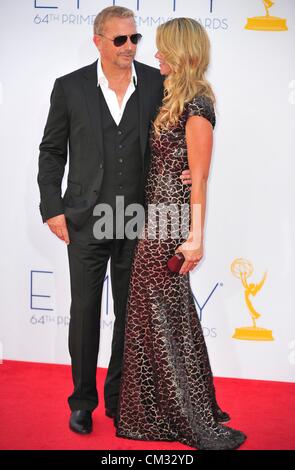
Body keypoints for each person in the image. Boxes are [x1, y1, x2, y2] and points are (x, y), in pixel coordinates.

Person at [37, 6, 191, 435]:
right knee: (85, 311)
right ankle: (82, 402)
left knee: (132, 314)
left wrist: (188, 169)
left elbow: (180, 134)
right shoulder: (69, 88)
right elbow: (51, 152)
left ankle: (120, 399)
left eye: (135, 39)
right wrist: (52, 206)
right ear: (98, 41)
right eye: (120, 39)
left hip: (140, 219)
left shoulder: (159, 83)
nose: (130, 47)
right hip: (86, 219)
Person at [116, 18, 247, 450]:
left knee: (159, 313)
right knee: (159, 313)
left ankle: (176, 411)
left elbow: (201, 178)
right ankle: (161, 406)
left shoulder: (198, 102)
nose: (155, 56)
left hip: (170, 221)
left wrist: (195, 237)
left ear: (181, 52)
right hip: (152, 215)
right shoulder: (173, 95)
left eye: (162, 50)